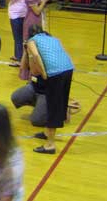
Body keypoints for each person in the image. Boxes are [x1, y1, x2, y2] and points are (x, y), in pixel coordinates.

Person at [22, 25, 74, 154]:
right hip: (68, 68)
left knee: (53, 106)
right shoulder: (53, 38)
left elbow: (35, 56)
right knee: (59, 102)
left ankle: (50, 145)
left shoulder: (31, 41)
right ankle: (47, 132)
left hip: (55, 73)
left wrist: (44, 73)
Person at [2, 0, 32, 66]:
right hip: (21, 13)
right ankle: (17, 55)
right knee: (19, 37)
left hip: (17, 15)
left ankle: (19, 59)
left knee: (18, 37)